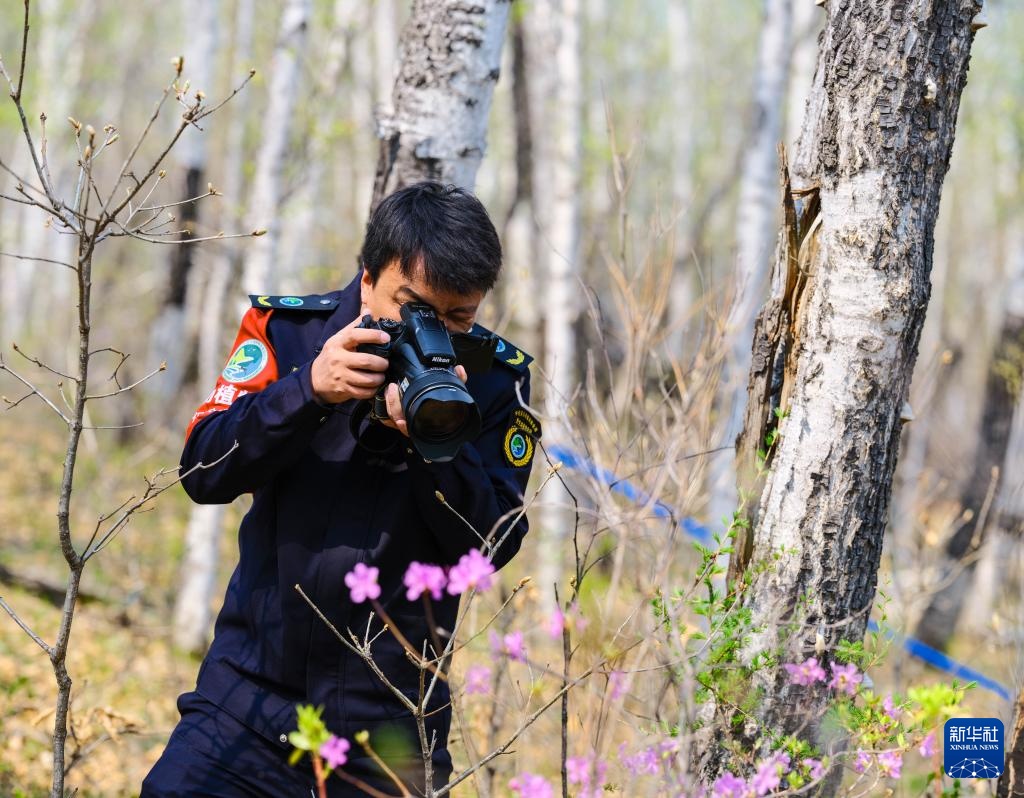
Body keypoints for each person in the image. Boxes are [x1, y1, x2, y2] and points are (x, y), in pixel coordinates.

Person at [142, 182, 539, 796]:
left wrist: (440, 442)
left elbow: (491, 548)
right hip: (247, 700)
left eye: (458, 318)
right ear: (367, 277)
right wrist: (308, 390)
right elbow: (203, 470)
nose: (433, 333)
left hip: (390, 729)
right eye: (413, 309)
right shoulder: (288, 333)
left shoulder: (493, 380)